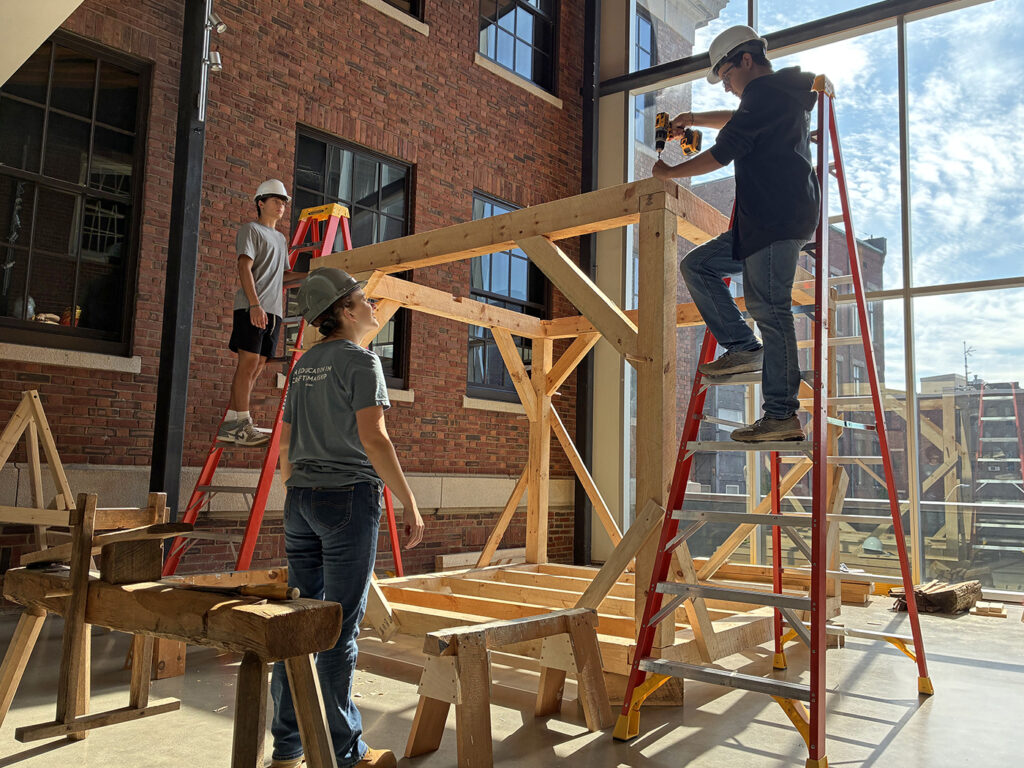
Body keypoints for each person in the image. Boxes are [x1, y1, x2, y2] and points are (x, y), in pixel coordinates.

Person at [269, 267, 425, 768]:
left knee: (298, 621)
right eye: (363, 298)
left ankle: (288, 747)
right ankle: (346, 752)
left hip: (300, 501)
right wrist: (409, 501)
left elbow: (286, 449)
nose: (372, 305)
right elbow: (374, 439)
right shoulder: (362, 362)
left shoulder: (304, 365)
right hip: (348, 498)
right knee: (338, 628)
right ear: (343, 310)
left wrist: (297, 490)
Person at [652, 25, 820, 443]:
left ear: (746, 60)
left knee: (771, 310)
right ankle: (744, 348)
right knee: (699, 265)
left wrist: (670, 174)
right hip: (767, 220)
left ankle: (780, 414)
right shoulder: (778, 96)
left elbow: (723, 151)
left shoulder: (765, 96)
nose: (726, 88)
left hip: (773, 220)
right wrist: (692, 120)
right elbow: (736, 120)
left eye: (726, 77)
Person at [218, 179, 304, 446]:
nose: (281, 205)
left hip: (273, 312)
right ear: (260, 203)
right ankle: (242, 424)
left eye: (284, 202)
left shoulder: (280, 239)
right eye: (276, 200)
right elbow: (244, 267)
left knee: (258, 366)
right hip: (251, 307)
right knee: (247, 364)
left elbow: (284, 276)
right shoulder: (250, 230)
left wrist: (315, 274)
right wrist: (255, 305)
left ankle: (233, 424)